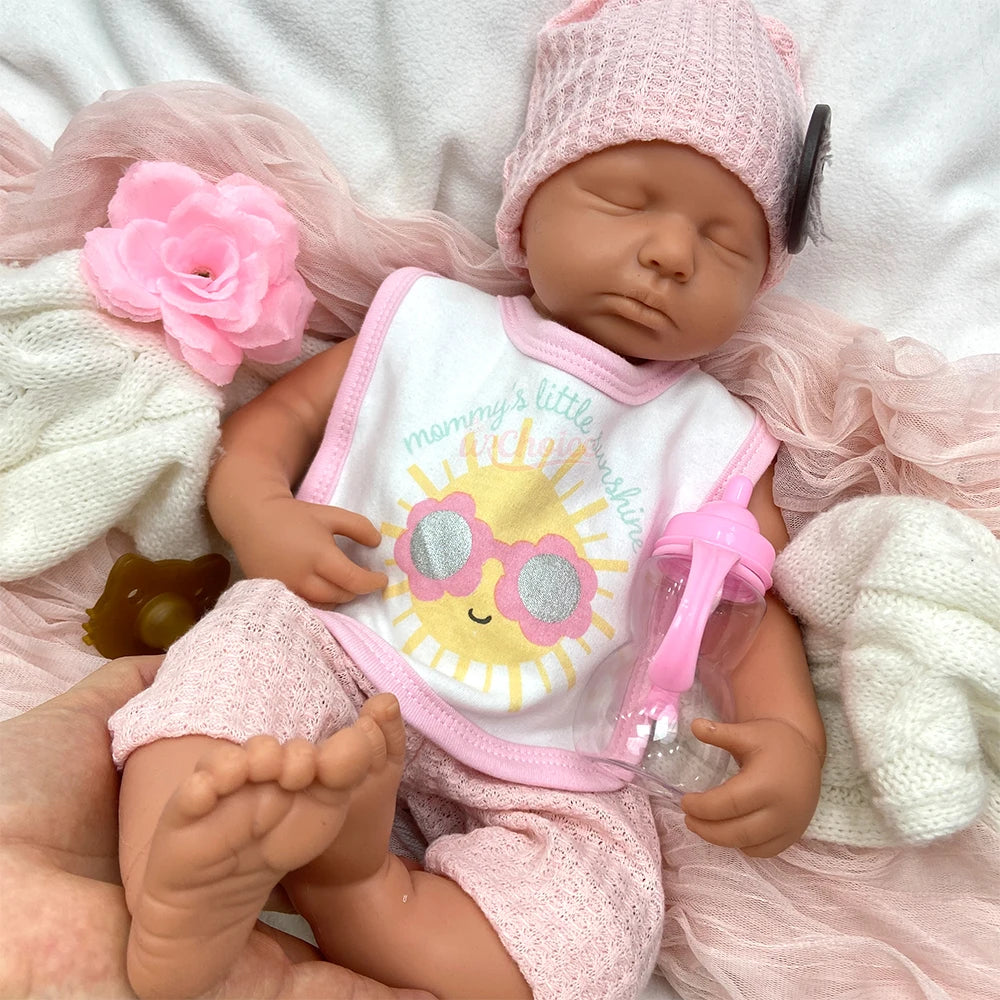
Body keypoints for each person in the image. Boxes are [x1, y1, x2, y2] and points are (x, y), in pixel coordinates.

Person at [107, 1, 826, 997]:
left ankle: (354, 883)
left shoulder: (714, 439)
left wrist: (791, 743)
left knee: (599, 922)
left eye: (725, 241)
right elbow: (271, 424)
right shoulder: (430, 322)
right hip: (342, 645)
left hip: (546, 762)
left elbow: (748, 616)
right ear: (528, 204)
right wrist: (257, 510)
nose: (671, 252)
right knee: (237, 664)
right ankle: (179, 875)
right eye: (625, 199)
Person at [0, 654, 434, 1000]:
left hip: (474, 768)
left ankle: (351, 883)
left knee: (208, 723)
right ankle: (177, 889)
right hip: (338, 642)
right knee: (229, 674)